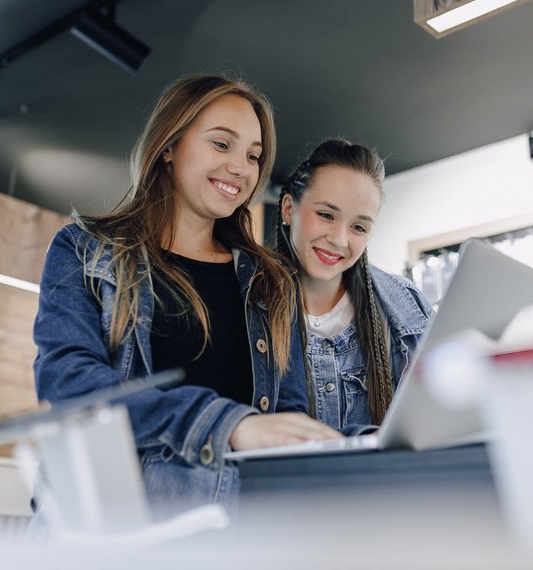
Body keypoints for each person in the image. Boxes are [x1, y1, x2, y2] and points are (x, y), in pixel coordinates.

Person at [32, 74, 340, 520]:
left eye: (254, 156)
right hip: (108, 523)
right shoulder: (84, 249)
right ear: (169, 146)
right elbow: (69, 383)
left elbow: (286, 414)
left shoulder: (271, 282)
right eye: (222, 144)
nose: (241, 167)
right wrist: (227, 425)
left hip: (228, 527)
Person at [275, 139, 432, 431]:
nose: (339, 239)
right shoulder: (246, 302)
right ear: (288, 209)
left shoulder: (406, 307)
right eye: (326, 215)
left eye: (358, 227)